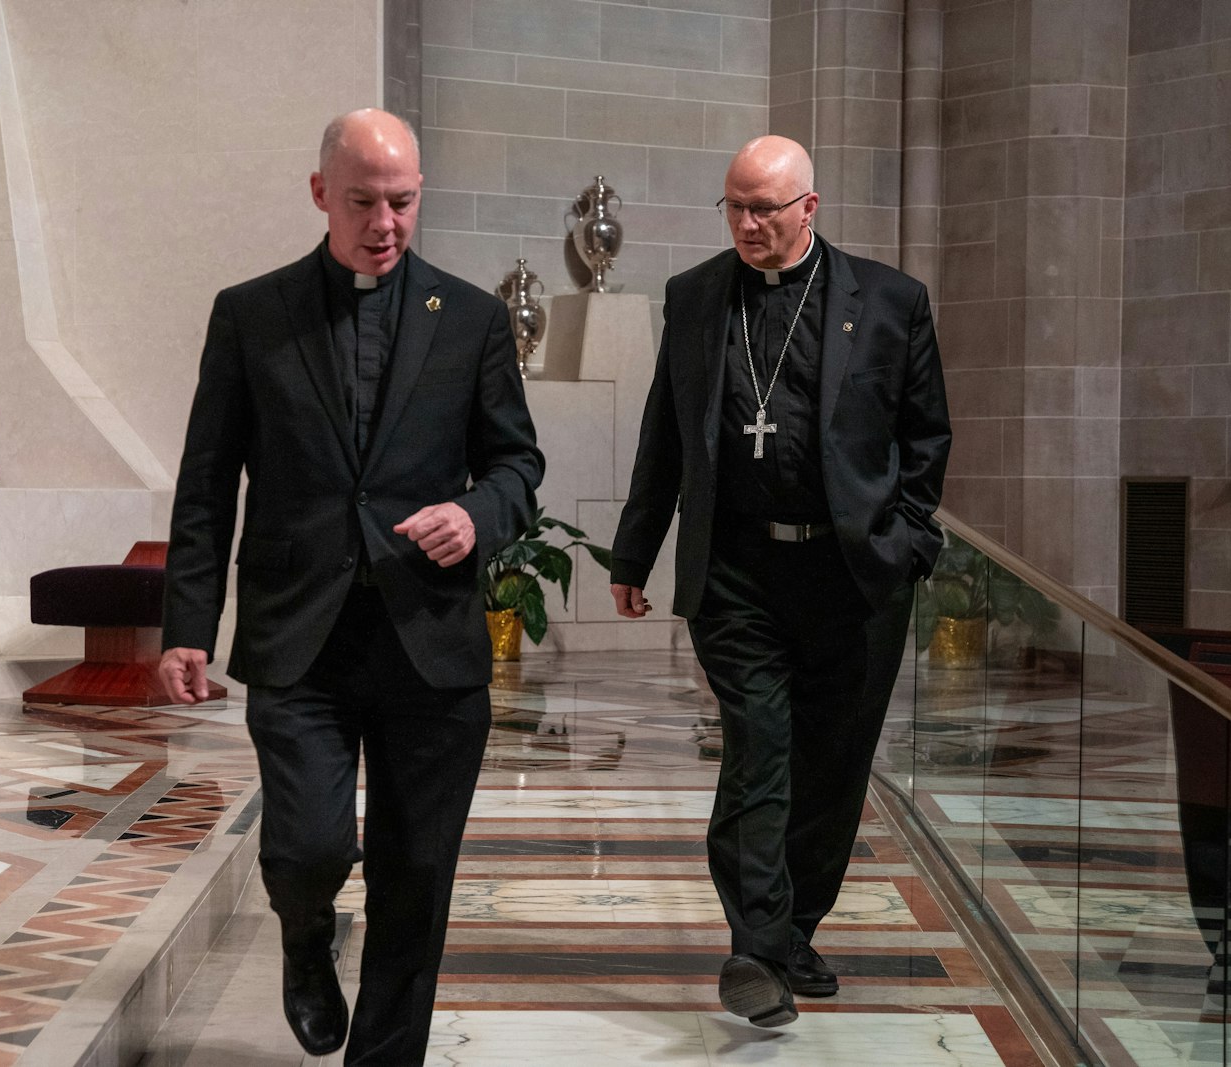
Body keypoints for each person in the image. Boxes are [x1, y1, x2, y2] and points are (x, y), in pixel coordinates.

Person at [158, 108, 542, 1064]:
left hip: (430, 638)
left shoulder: (475, 319)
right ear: (321, 192)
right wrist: (186, 625)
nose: (386, 221)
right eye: (366, 200)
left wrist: (476, 516)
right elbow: (208, 480)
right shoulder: (251, 313)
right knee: (312, 847)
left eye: (404, 201)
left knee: (417, 877)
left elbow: (517, 467)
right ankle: (303, 930)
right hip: (301, 638)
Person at [609, 135, 950, 1027]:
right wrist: (634, 554)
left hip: (853, 576)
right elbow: (666, 433)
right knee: (759, 749)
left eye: (765, 208)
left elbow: (926, 436)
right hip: (738, 572)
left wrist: (909, 541)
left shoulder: (890, 301)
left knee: (834, 765)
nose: (749, 224)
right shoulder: (694, 297)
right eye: (735, 206)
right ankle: (756, 948)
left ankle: (796, 925)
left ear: (810, 206)